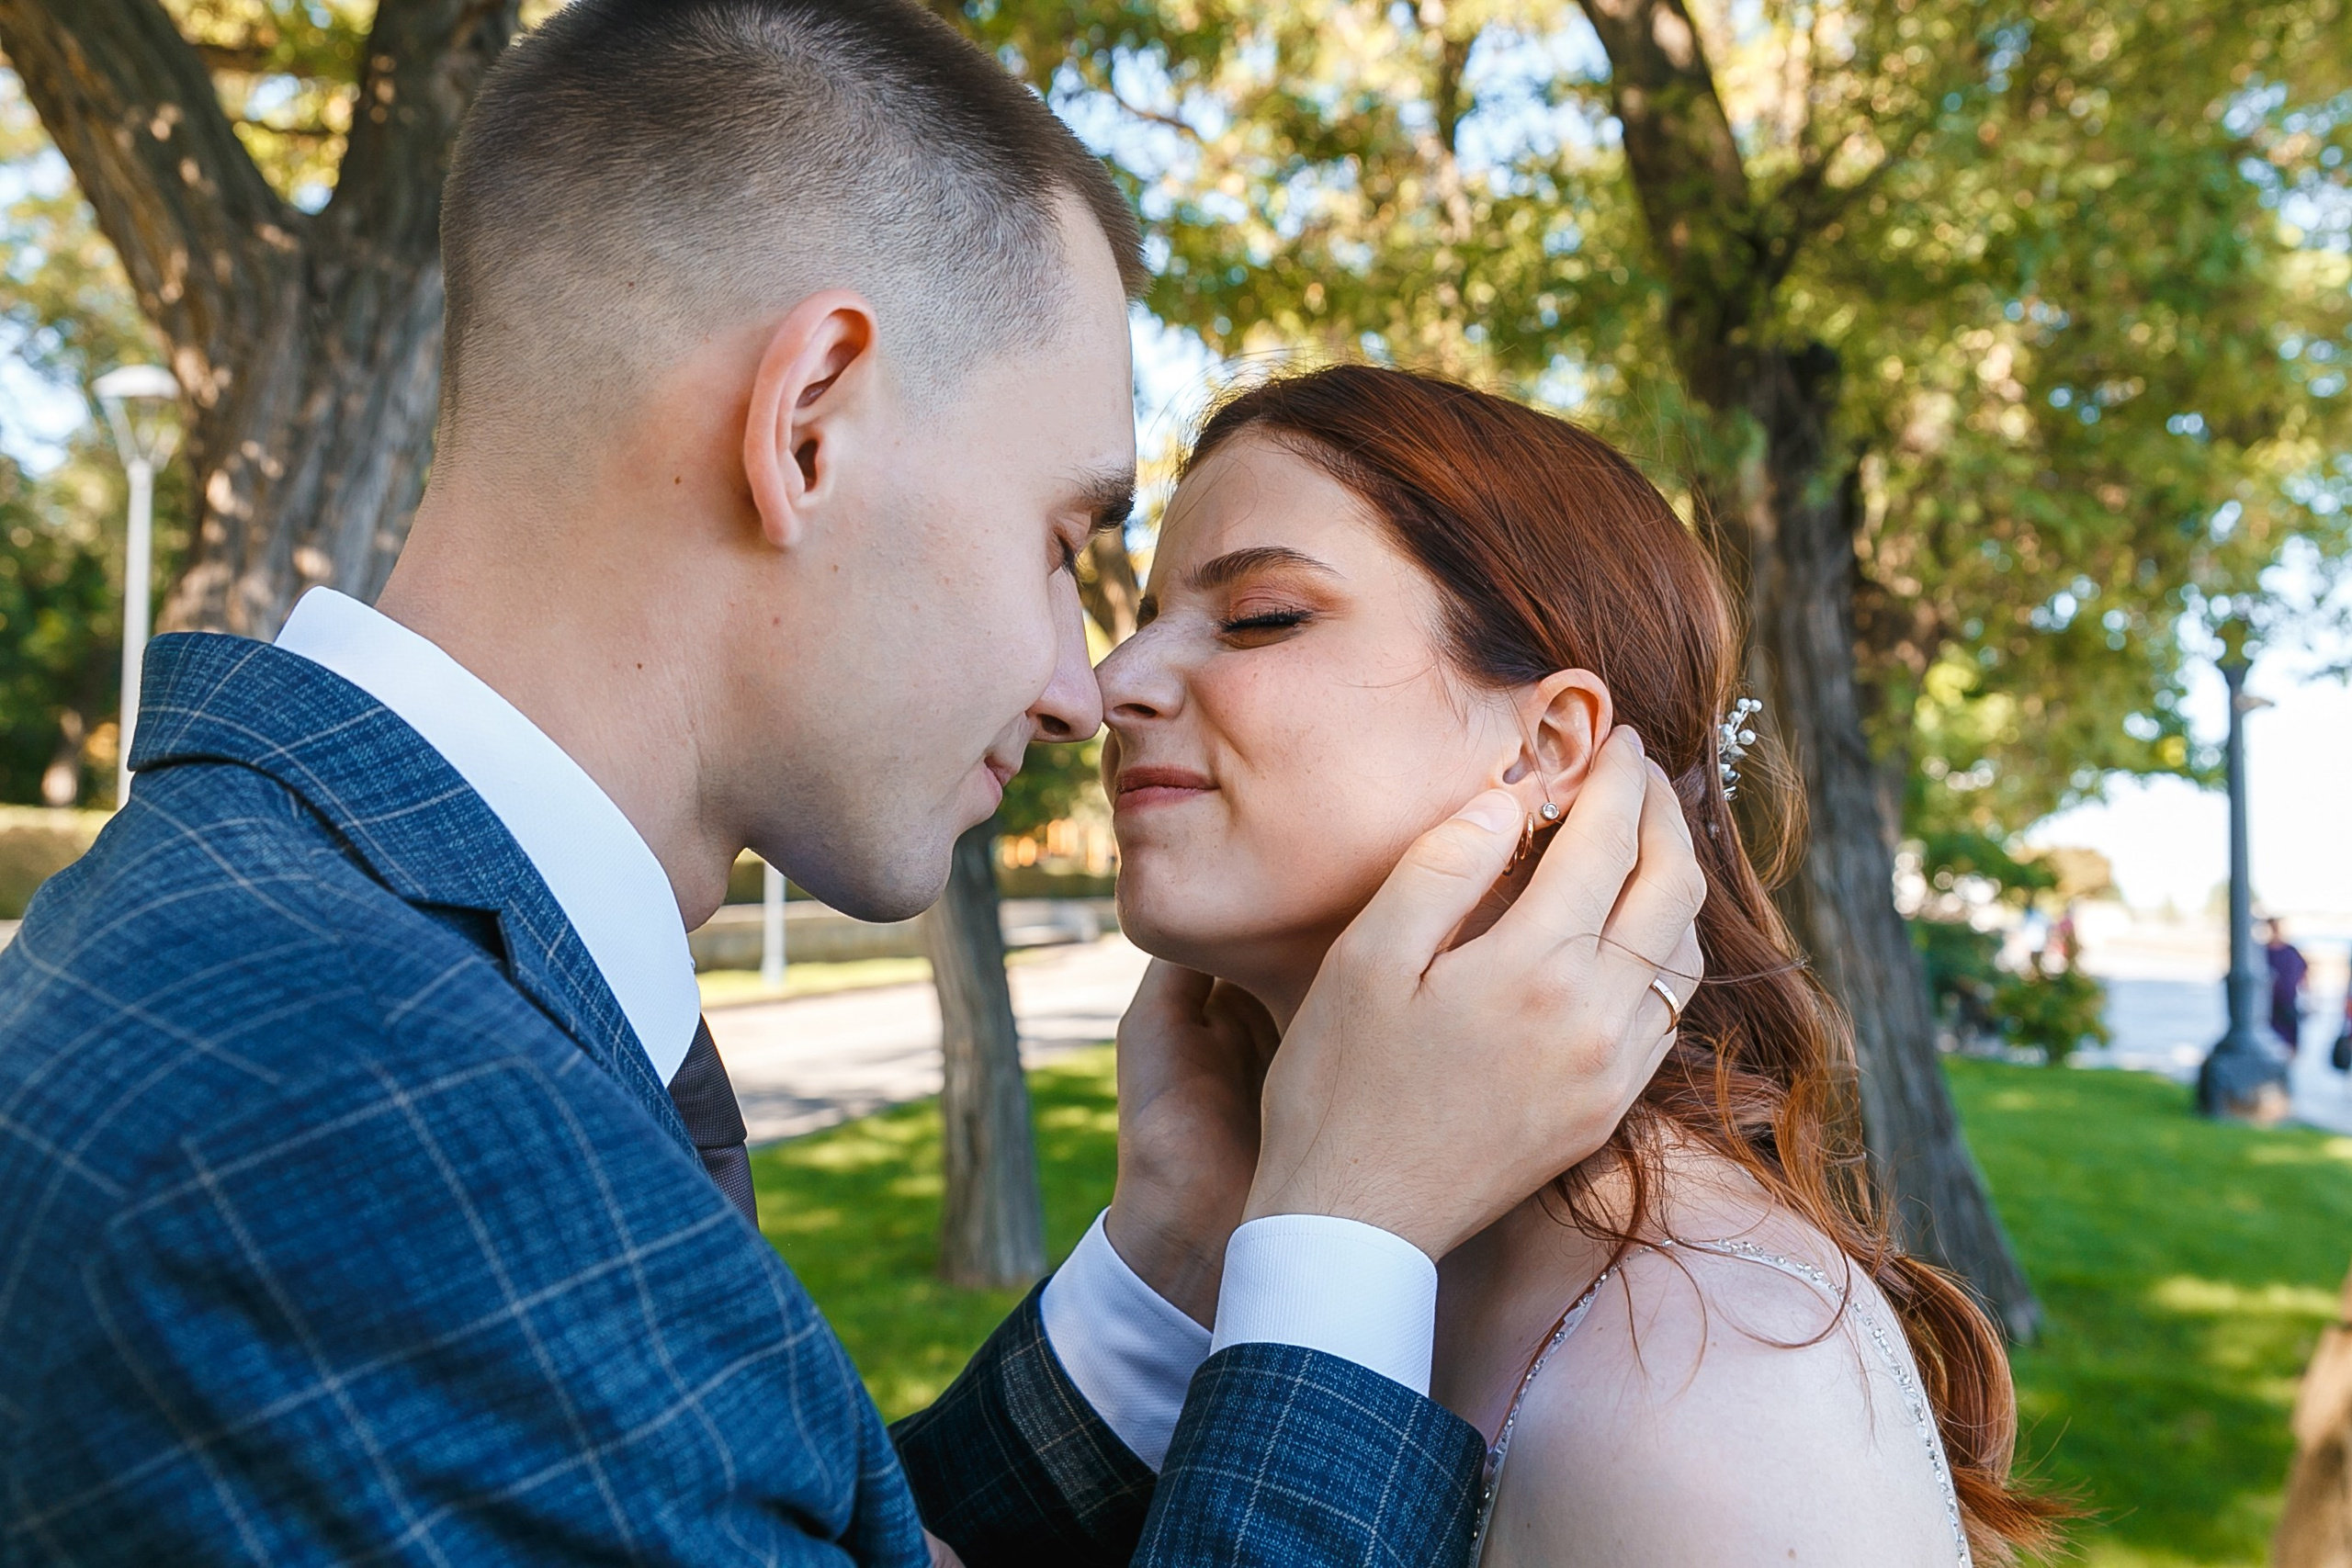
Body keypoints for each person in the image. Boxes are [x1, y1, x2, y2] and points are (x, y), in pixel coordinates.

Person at [0, 4, 1703, 1564]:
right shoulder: (357, 1113)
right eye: (1064, 541)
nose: (1076, 684)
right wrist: (1348, 1244)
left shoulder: (324, 948)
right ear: (807, 422)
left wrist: (1171, 1263)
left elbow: (718, 1517)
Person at [1094, 365, 2066, 1565]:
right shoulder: (1320, 1240)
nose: (1110, 683)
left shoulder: (1711, 1375)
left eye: (1259, 616)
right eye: (1140, 621)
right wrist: (1179, 1240)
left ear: (1551, 746)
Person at [2268, 919, 2311, 1055]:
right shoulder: (2264, 951)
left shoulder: (2290, 951)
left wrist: (2308, 993)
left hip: (2288, 998)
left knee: (2291, 1030)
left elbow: (2304, 971)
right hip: (2271, 1000)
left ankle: (2291, 1056)